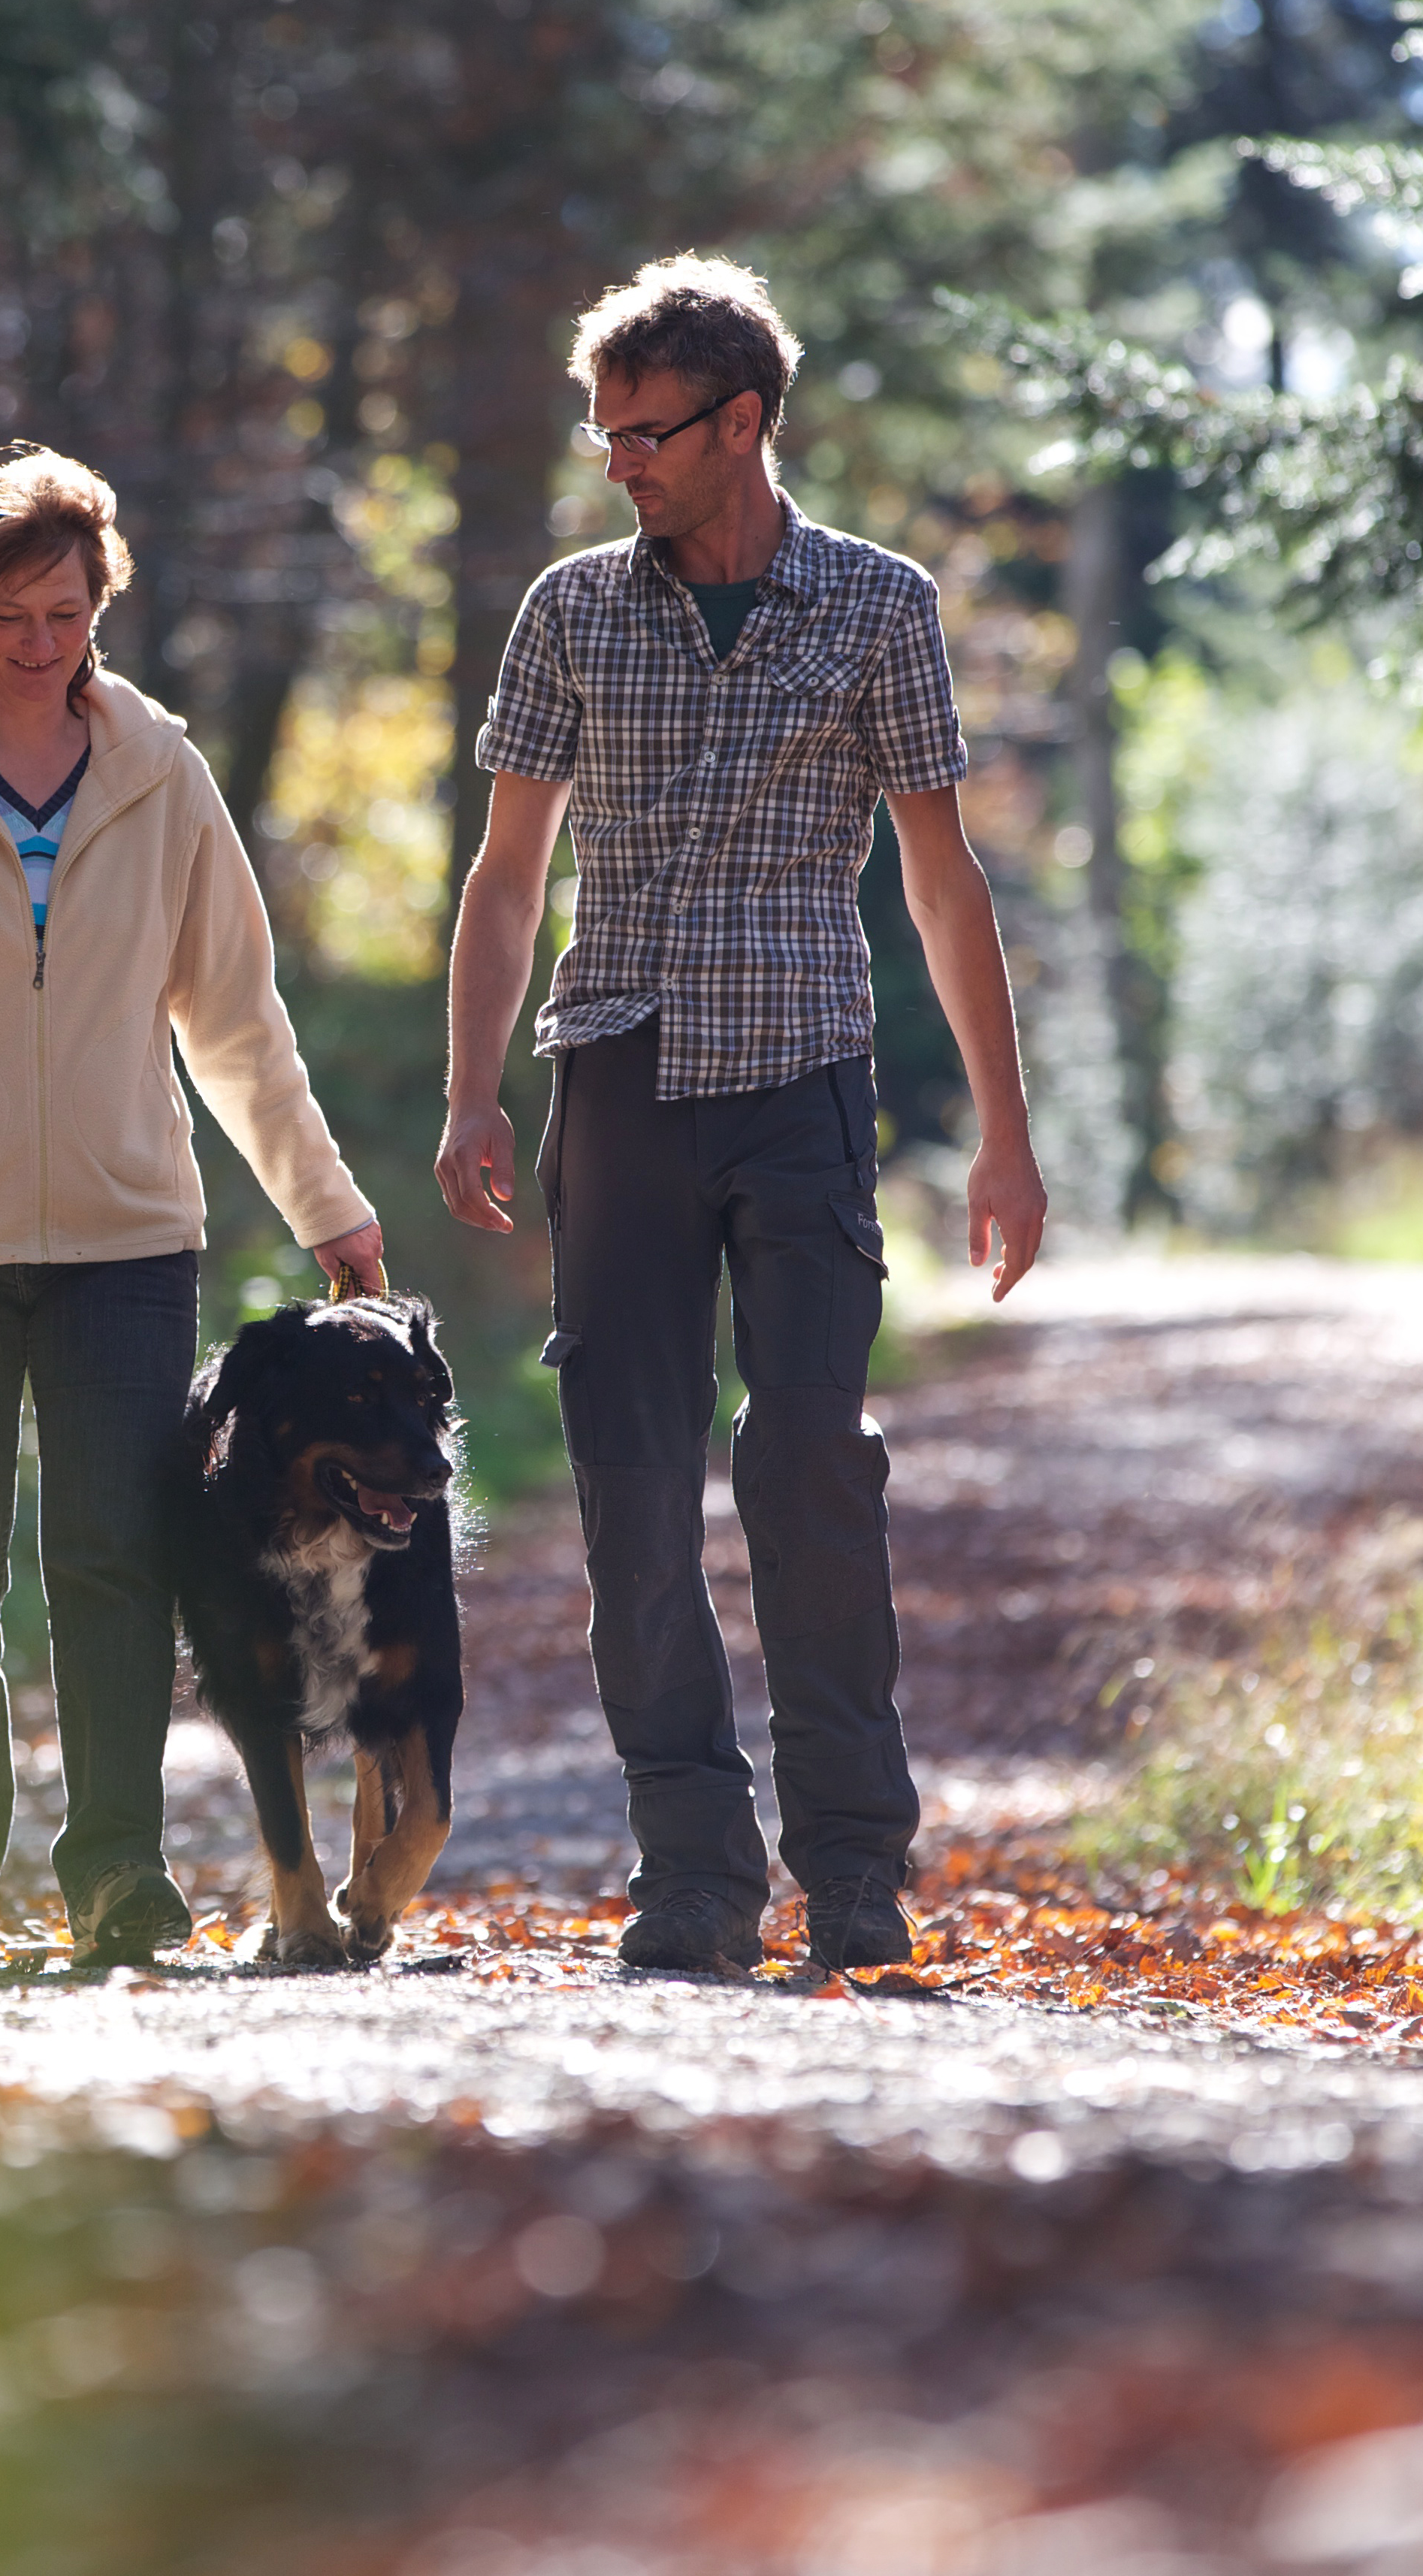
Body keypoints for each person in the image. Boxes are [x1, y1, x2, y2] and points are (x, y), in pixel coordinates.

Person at [434, 254, 1051, 1979]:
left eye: (647, 434)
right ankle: (693, 1867)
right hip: (618, 1078)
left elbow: (941, 878)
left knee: (808, 1464)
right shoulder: (572, 610)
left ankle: (853, 1863)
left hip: (802, 1079)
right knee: (631, 1480)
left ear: (743, 424)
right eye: (605, 434)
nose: (618, 463)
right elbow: (506, 875)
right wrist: (475, 1088)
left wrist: (1006, 1136)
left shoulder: (877, 605)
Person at [0, 447, 385, 1977]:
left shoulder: (159, 776)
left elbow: (236, 1023)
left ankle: (117, 1873)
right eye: (7, 617)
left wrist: (324, 1203)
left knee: (115, 1560)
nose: (37, 643)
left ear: (99, 608)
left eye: (63, 614)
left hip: (126, 1240)